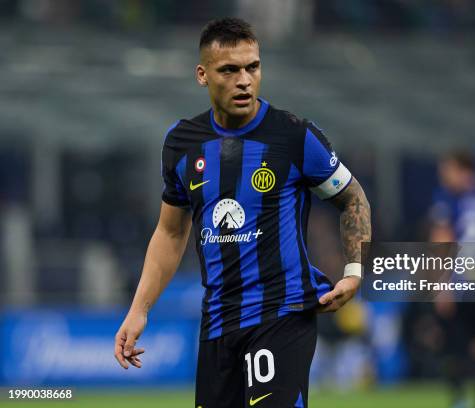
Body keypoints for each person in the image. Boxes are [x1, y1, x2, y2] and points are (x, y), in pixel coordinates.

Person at [113, 18, 371, 408]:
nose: (245, 80)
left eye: (253, 67)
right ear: (202, 75)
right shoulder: (182, 143)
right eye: (229, 70)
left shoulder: (294, 136)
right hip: (218, 323)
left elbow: (352, 198)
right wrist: (138, 311)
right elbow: (169, 233)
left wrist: (354, 272)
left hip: (282, 316)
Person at [428, 151, 475, 408]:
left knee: (454, 346)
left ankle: (460, 401)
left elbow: (443, 240)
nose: (443, 176)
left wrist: (441, 284)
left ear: (461, 170)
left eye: (447, 170)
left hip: (462, 283)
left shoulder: (448, 199)